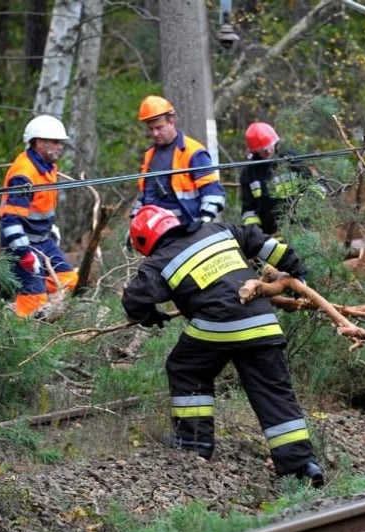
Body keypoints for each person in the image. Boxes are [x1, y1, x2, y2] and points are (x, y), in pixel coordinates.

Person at [121, 205, 325, 487]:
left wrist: (149, 316)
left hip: (217, 323)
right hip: (262, 320)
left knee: (186, 368)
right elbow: (263, 242)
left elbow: (134, 303)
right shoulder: (219, 230)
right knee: (273, 391)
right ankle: (301, 467)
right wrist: (296, 271)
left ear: (143, 241)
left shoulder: (159, 261)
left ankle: (193, 445)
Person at [0, 114, 79, 317]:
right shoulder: (23, 174)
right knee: (34, 304)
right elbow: (10, 221)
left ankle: (19, 288)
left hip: (44, 241)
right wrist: (24, 254)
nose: (60, 146)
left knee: (69, 279)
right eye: (55, 142)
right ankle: (23, 324)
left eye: (61, 142)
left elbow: (41, 206)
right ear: (38, 142)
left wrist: (50, 227)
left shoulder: (47, 168)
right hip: (23, 245)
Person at [129, 95, 225, 226]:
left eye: (159, 128)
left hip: (187, 228)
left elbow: (212, 191)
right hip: (158, 231)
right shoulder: (150, 155)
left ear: (171, 121)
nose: (155, 134)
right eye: (151, 129)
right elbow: (145, 195)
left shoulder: (193, 151)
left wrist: (205, 221)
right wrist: (136, 222)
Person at [239, 121, 327, 235]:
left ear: (275, 142)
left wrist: (305, 206)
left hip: (301, 228)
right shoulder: (249, 174)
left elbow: (318, 185)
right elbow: (248, 210)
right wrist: (255, 233)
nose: (267, 151)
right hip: (269, 234)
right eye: (261, 149)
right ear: (254, 151)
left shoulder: (292, 159)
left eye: (268, 146)